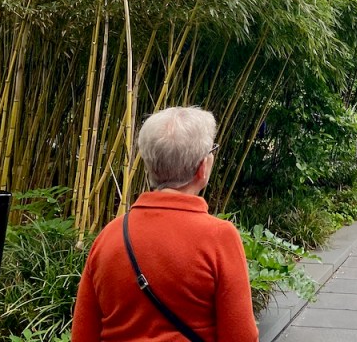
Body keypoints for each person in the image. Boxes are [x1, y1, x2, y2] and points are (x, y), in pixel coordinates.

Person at [71, 107, 258, 342]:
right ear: (202, 168)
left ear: (149, 165)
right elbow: (241, 336)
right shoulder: (219, 238)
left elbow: (82, 335)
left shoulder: (109, 237)